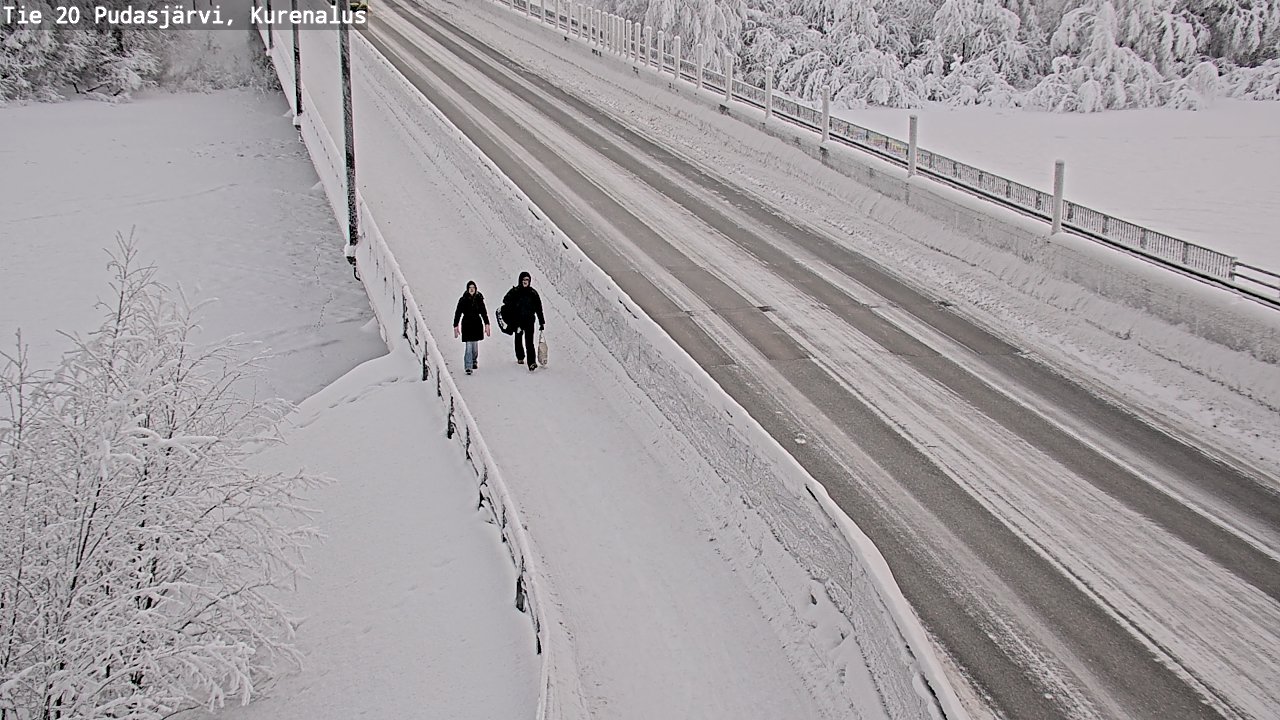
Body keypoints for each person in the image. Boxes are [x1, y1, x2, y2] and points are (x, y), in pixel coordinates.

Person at [502, 271, 545, 371]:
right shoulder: (515, 291)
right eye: (524, 280)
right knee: (518, 339)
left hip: (529, 321)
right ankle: (520, 357)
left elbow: (539, 308)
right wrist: (512, 306)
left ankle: (532, 362)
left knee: (529, 342)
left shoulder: (533, 293)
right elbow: (505, 300)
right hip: (517, 321)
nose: (525, 282)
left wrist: (541, 322)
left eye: (527, 280)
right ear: (520, 280)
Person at [453, 280, 491, 375]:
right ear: (467, 289)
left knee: (475, 346)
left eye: (473, 288)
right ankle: (468, 366)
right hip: (467, 324)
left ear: (475, 289)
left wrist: (487, 324)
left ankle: (474, 361)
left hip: (477, 324)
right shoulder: (463, 300)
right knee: (468, 346)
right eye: (470, 288)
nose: (471, 290)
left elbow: (483, 312)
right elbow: (458, 312)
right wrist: (455, 325)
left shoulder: (479, 299)